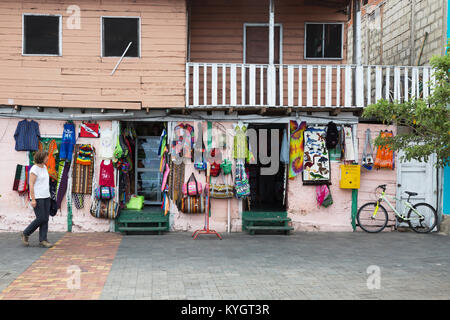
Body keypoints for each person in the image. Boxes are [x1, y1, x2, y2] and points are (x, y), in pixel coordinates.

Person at [21, 150, 53, 248]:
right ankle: (26, 233)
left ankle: (43, 240)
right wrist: (33, 199)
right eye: (46, 157)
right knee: (41, 218)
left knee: (45, 219)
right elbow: (31, 184)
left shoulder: (44, 167)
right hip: (38, 197)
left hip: (46, 196)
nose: (47, 158)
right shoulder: (34, 169)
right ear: (41, 157)